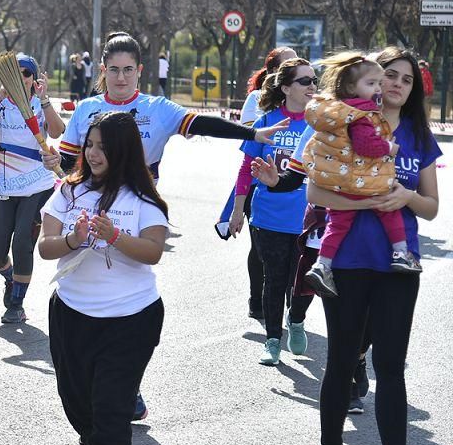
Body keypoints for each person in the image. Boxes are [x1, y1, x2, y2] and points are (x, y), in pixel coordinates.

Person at [54, 31, 286, 420]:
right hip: (91, 212)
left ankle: (127, 383)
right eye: (114, 70)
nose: (121, 78)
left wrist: (252, 133)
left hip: (138, 213)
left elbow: (202, 124)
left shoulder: (157, 108)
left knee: (130, 298)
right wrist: (57, 170)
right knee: (90, 293)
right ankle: (104, 381)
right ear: (102, 71)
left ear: (141, 71)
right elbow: (68, 164)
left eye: (129, 70)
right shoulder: (86, 109)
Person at [252, 47, 439, 445]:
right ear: (367, 80)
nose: (395, 85)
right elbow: (316, 190)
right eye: (388, 76)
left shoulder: (417, 135)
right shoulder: (339, 120)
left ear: (412, 90)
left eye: (405, 80)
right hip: (347, 263)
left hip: (400, 263)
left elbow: (431, 208)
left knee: (391, 366)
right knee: (341, 359)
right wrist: (367, 201)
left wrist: (403, 198)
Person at [38, 111, 169, 445]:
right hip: (72, 313)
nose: (93, 153)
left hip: (132, 317)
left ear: (124, 151)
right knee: (76, 401)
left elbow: (153, 252)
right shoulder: (68, 192)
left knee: (111, 402)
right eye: (90, 144)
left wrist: (114, 235)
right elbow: (45, 247)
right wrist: (75, 238)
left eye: (103, 147)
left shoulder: (144, 200)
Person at [302, 53, 419, 299]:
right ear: (351, 87)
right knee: (389, 210)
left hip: (340, 184)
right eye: (371, 84)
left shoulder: (335, 111)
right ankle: (400, 253)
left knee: (337, 224)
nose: (378, 88)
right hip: (365, 182)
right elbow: (366, 146)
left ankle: (322, 265)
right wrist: (389, 147)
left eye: (378, 83)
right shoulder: (362, 113)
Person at [227, 58, 317, 365]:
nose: (312, 87)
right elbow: (244, 170)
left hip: (308, 219)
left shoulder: (320, 124)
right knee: (274, 279)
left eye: (314, 80)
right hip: (268, 216)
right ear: (286, 87)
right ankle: (273, 340)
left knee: (302, 282)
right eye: (305, 81)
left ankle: (297, 319)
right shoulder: (266, 121)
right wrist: (238, 210)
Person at [0, 53, 65, 323]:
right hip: (4, 186)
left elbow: (57, 131)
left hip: (38, 186)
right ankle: (12, 279)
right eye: (16, 72)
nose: (21, 77)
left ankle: (16, 304)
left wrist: (45, 101)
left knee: (23, 240)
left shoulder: (39, 103)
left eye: (26, 73)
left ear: (34, 79)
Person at [236, 47, 297, 320]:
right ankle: (257, 299)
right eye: (288, 65)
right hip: (258, 186)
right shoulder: (257, 101)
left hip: (295, 195)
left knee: (293, 254)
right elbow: (249, 137)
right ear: (275, 72)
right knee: (260, 249)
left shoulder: (309, 114)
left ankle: (290, 308)